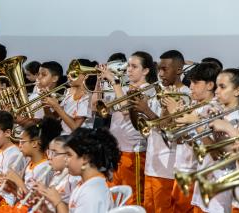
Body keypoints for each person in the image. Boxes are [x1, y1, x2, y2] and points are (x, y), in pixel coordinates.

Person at [98, 51, 157, 205]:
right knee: (116, 198)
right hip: (116, 151)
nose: (128, 70)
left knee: (133, 197)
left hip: (133, 152)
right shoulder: (123, 89)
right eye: (128, 66)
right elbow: (97, 108)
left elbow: (126, 109)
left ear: (146, 71)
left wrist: (115, 82)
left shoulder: (148, 89)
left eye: (134, 66)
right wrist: (99, 81)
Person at [192, 66, 239, 213]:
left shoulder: (237, 117)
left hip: (219, 190)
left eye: (222, 87)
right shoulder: (215, 110)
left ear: (238, 91)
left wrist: (197, 125)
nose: (216, 91)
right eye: (217, 86)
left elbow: (219, 154)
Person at [136, 50, 189, 213]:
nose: (160, 74)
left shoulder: (187, 95)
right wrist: (135, 108)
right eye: (159, 69)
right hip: (152, 164)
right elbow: (147, 128)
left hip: (167, 168)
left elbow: (170, 130)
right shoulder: (158, 93)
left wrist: (147, 111)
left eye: (165, 69)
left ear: (179, 70)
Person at [173, 62, 221, 213]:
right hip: (183, 170)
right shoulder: (195, 105)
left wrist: (193, 122)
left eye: (195, 82)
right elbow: (180, 139)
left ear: (210, 85)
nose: (191, 86)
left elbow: (208, 149)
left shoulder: (214, 109)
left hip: (194, 173)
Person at [0, 117, 62, 213]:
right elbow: (21, 194)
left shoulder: (44, 168)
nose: (19, 145)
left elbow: (35, 200)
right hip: (19, 207)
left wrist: (18, 181)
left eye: (22, 141)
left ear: (34, 143)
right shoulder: (30, 163)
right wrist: (11, 186)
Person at [40, 127, 120, 213]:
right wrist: (47, 210)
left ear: (85, 159)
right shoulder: (85, 184)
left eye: (69, 155)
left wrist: (58, 203)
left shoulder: (92, 192)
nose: (65, 159)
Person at [43, 59, 94, 135]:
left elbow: (76, 128)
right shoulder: (68, 94)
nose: (68, 75)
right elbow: (53, 120)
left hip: (79, 141)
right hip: (63, 138)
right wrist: (45, 104)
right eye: (68, 72)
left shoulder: (88, 97)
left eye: (74, 73)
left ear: (86, 76)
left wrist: (56, 106)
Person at [31, 135, 81, 212]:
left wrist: (50, 195)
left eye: (54, 153)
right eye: (49, 152)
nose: (49, 157)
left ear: (69, 155)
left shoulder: (75, 179)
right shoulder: (56, 174)